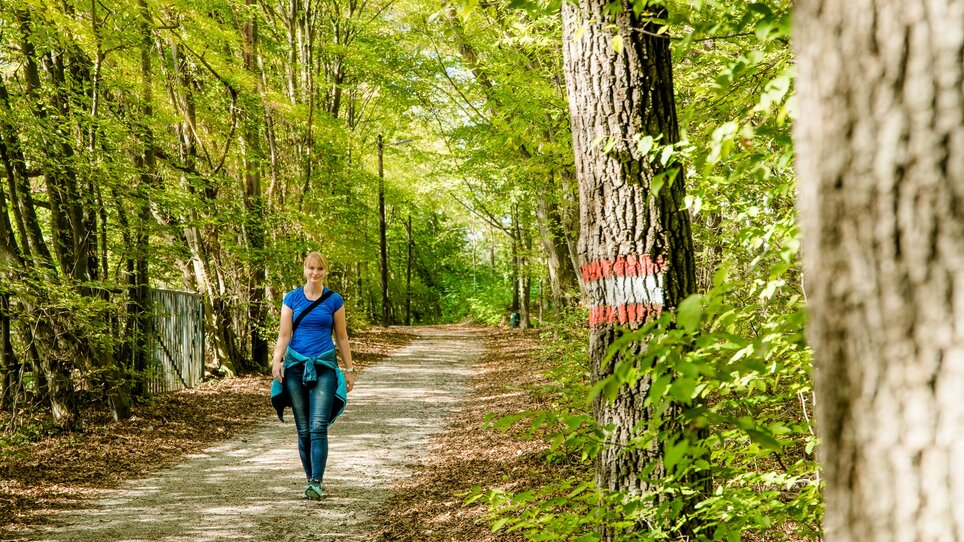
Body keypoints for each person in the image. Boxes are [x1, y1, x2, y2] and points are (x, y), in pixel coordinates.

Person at [270, 251, 356, 500]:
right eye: (311, 268)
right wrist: (277, 360)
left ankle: (317, 481)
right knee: (304, 428)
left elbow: (341, 337)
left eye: (319, 269)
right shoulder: (292, 298)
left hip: (325, 367)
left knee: (318, 425)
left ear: (325, 271)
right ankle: (310, 480)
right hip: (296, 367)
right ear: (305, 270)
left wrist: (349, 370)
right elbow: (284, 335)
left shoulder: (334, 300)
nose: (315, 273)